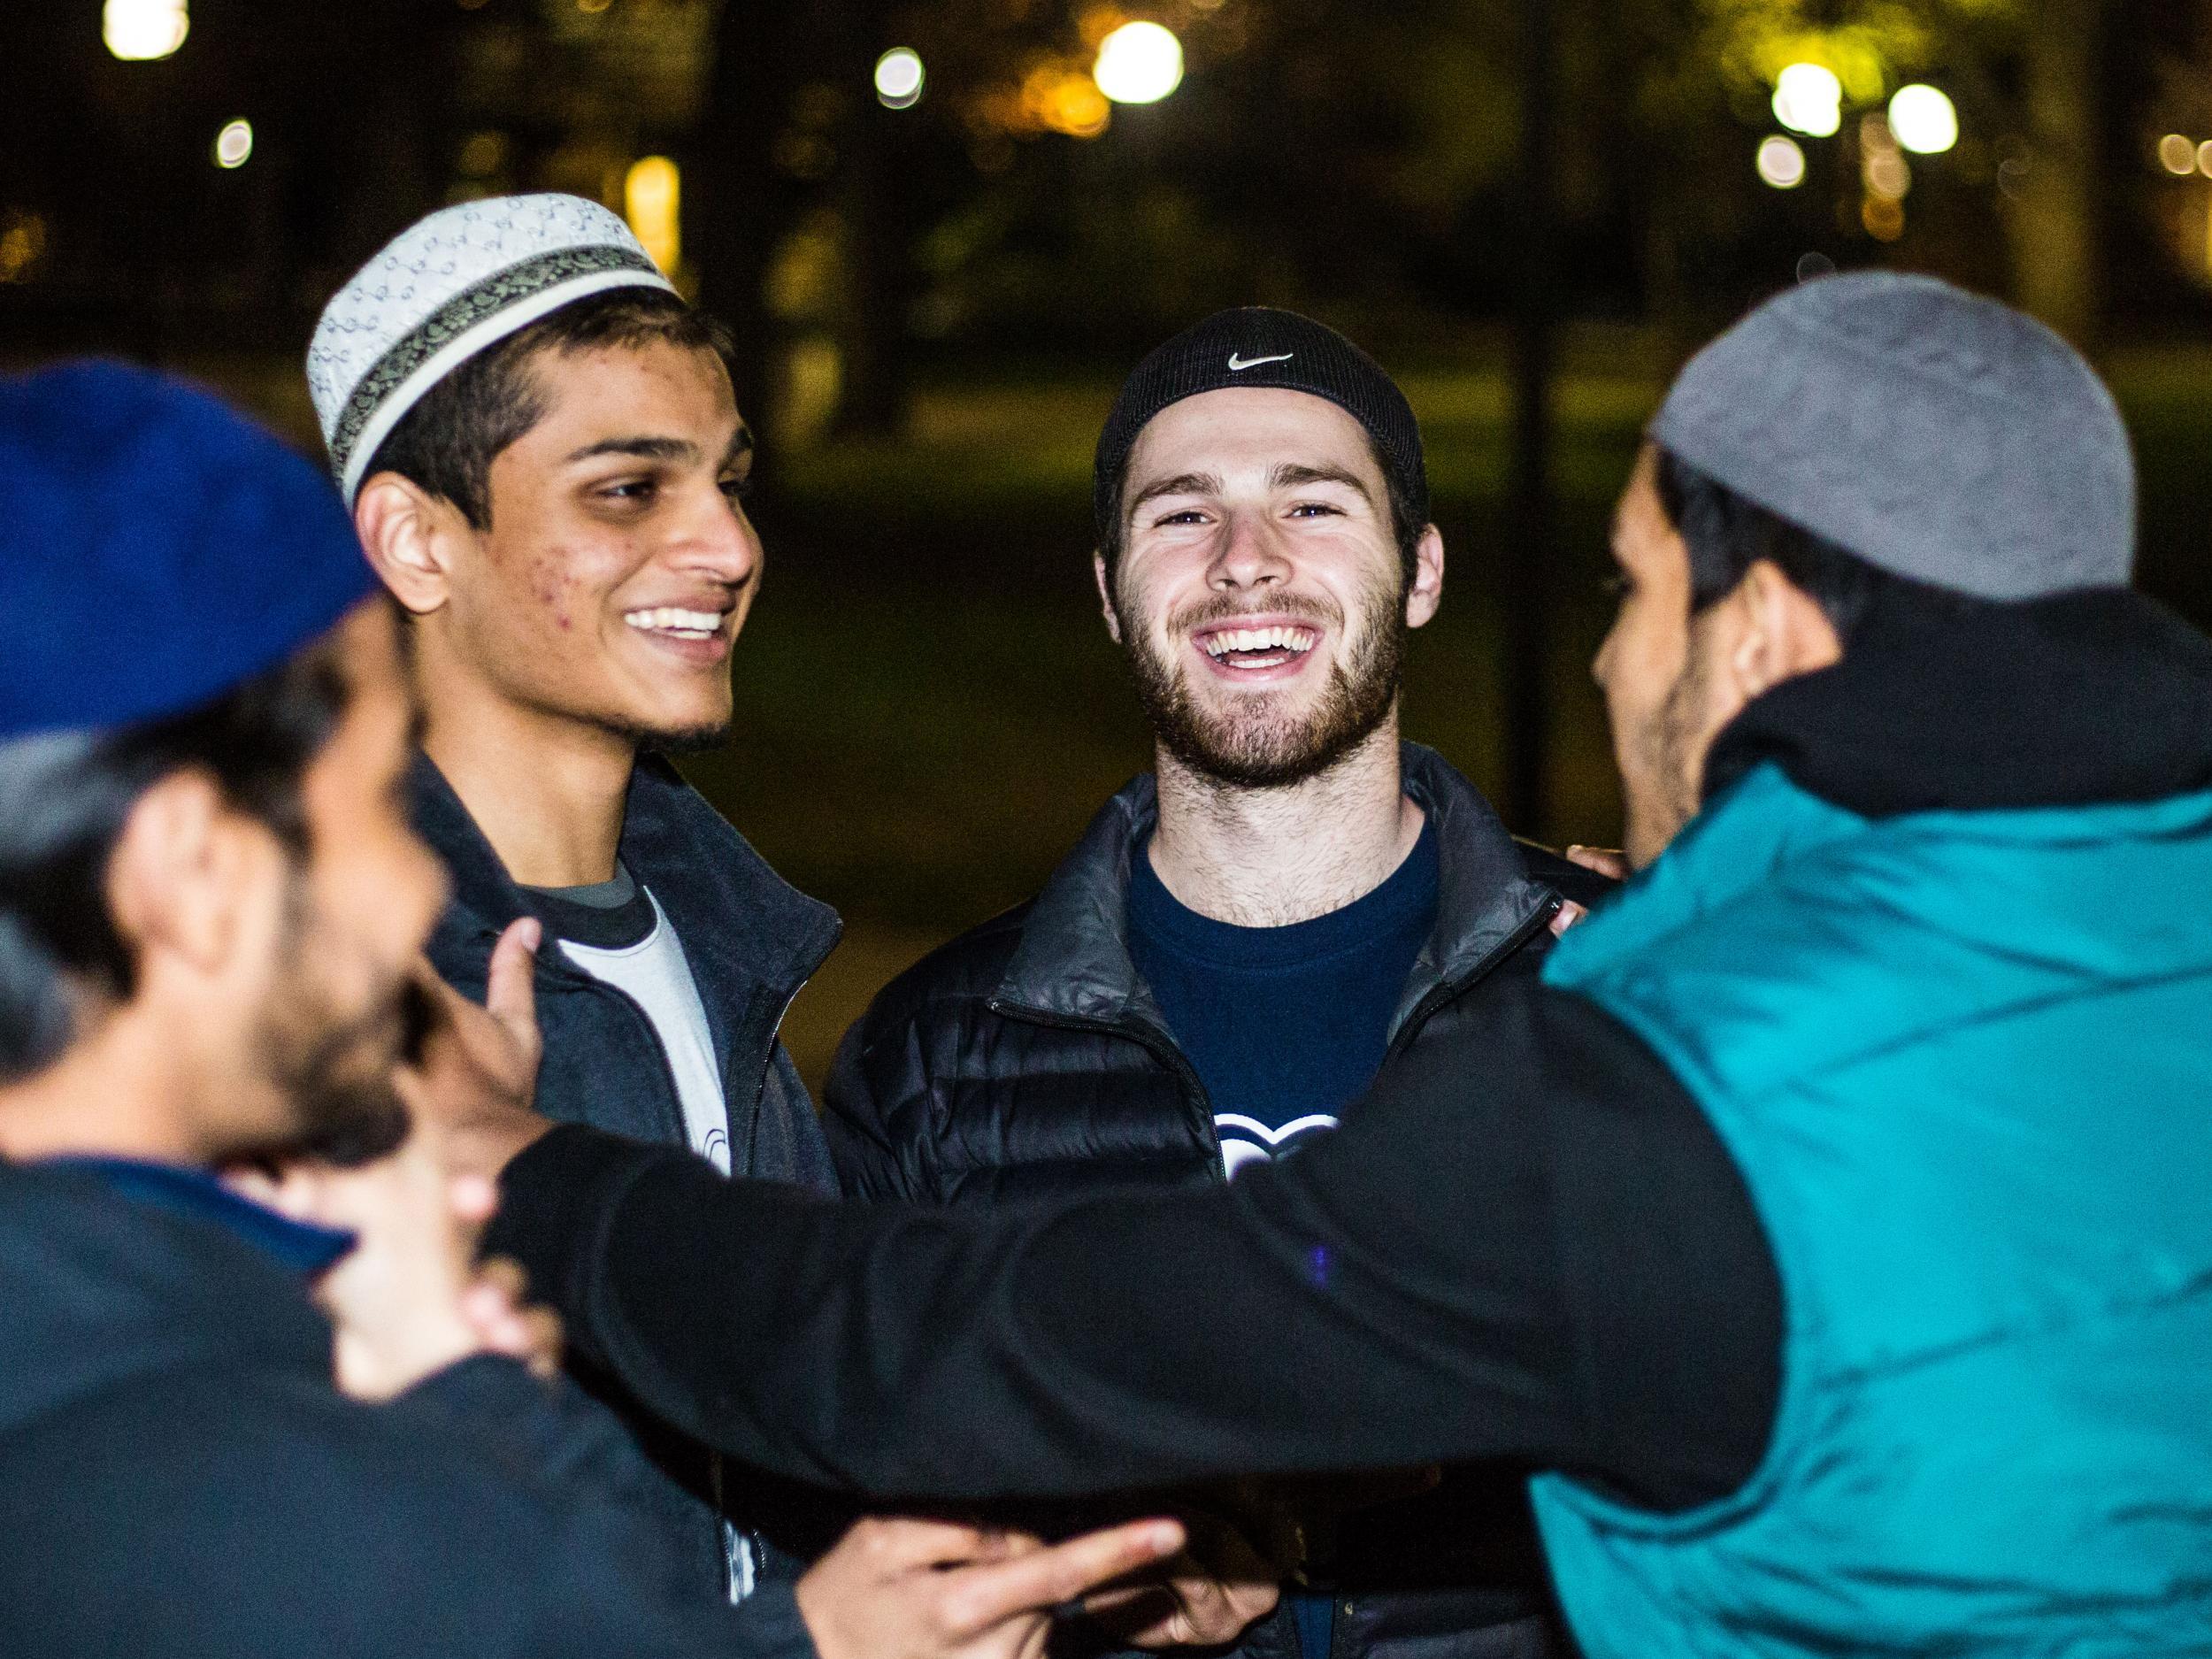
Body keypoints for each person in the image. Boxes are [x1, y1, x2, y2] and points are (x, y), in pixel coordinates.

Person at [452, 274, 2212, 1656]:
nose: (1610, 669)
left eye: (1627, 592)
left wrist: (514, 1167)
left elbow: (928, 1347)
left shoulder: (1668, 1078)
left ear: (1750, 632)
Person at [0, 359, 1187, 1658]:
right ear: (192, 874)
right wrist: (475, 1393)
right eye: (371, 811)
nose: (411, 890)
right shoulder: (258, 1478)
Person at [824, 308, 1609, 1659]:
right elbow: (873, 1542)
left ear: (1420, 569)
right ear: (1109, 589)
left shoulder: (1618, 980)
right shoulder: (937, 1064)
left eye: (1312, 505)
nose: (1248, 564)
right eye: (1181, 517)